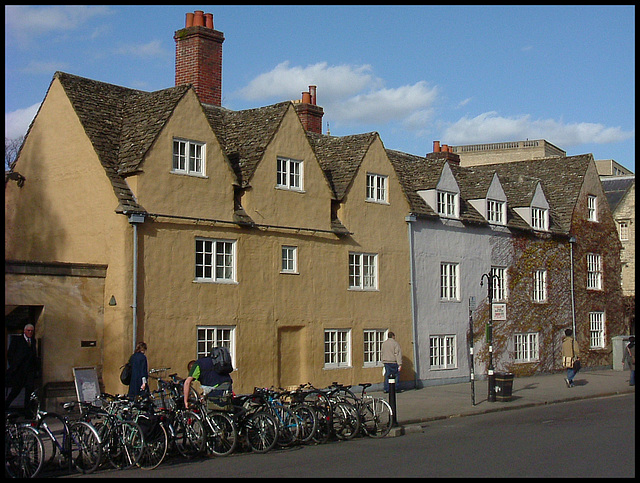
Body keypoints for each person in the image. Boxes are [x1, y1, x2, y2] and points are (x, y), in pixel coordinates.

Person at [5, 324, 39, 414]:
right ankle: (6, 406)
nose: (30, 332)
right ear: (24, 331)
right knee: (16, 390)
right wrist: (14, 366)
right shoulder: (17, 340)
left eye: (31, 331)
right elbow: (10, 354)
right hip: (19, 370)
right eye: (28, 331)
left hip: (29, 370)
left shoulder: (33, 341)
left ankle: (27, 411)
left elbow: (33, 355)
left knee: (29, 391)